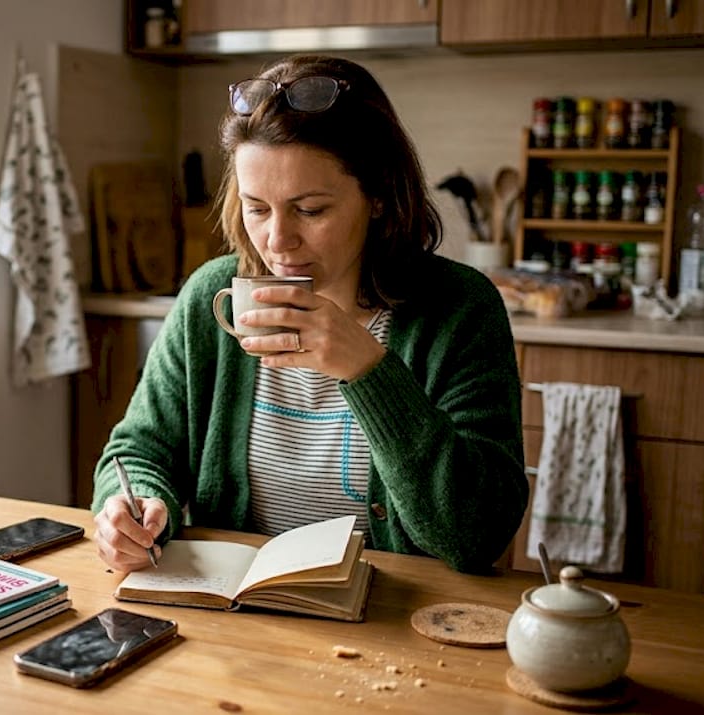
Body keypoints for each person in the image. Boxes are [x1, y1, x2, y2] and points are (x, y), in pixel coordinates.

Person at [91, 54, 526, 575]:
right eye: (257, 207)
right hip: (244, 617)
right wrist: (133, 506)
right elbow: (139, 449)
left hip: (401, 623)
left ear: (380, 196)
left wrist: (369, 372)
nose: (278, 241)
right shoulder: (214, 297)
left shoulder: (460, 309)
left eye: (311, 210)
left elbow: (477, 535)